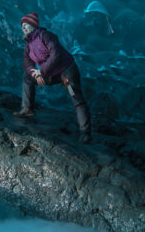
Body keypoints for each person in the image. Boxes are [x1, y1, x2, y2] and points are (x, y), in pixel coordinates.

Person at [13, 12, 92, 143]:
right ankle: (27, 109)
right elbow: (27, 64)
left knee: (76, 98)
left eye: (27, 25)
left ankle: (85, 133)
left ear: (33, 25)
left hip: (66, 74)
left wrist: (42, 72)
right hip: (51, 75)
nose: (24, 28)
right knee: (27, 78)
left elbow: (56, 55)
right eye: (22, 26)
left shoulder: (46, 36)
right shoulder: (29, 45)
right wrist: (35, 73)